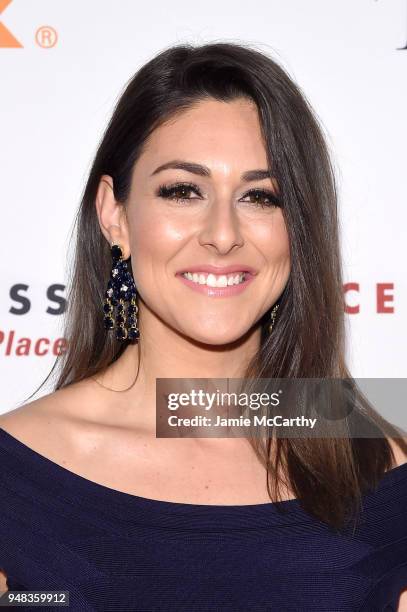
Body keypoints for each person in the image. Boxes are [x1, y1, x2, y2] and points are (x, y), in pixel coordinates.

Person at [0, 41, 406, 612]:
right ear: (113, 214)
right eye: (182, 191)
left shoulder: (381, 470)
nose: (222, 233)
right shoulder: (15, 474)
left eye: (261, 197)